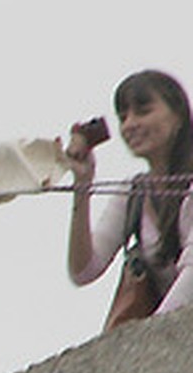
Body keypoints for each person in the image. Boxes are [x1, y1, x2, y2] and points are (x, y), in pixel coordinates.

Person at [65, 69, 193, 330]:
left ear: (178, 115)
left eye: (143, 112)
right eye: (123, 117)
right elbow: (84, 270)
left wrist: (152, 336)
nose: (130, 124)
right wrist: (83, 185)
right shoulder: (133, 193)